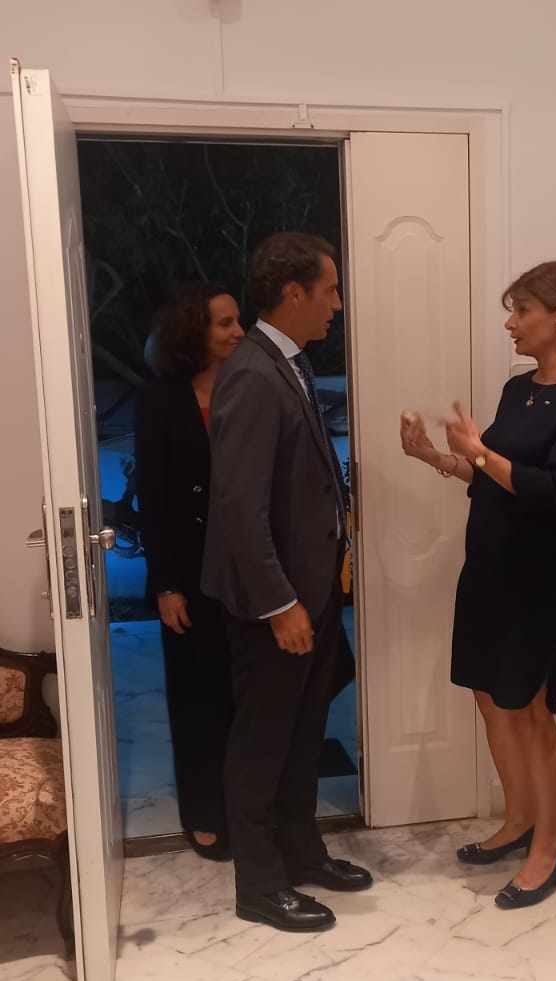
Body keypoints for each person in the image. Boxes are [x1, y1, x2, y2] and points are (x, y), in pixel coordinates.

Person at [400, 261, 556, 908]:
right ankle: (519, 820)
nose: (510, 323)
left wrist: (481, 451)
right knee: (490, 698)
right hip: (487, 566)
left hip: (537, 577)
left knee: (530, 708)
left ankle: (549, 848)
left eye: (521, 310)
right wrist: (434, 456)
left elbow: (552, 490)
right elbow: (492, 476)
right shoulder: (518, 389)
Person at [202, 232, 372, 933]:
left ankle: (302, 851)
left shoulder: (289, 363)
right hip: (277, 602)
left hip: (314, 592)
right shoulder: (252, 372)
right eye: (329, 290)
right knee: (262, 741)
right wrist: (280, 603)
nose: (337, 304)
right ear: (294, 293)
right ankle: (260, 884)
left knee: (304, 732)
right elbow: (239, 505)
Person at [136, 283, 244, 860]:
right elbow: (154, 499)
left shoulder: (250, 387)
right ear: (193, 331)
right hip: (189, 570)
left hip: (249, 569)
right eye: (224, 323)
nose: (238, 331)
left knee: (249, 695)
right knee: (196, 696)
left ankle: (251, 810)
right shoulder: (160, 399)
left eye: (237, 321)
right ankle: (204, 812)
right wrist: (166, 584)